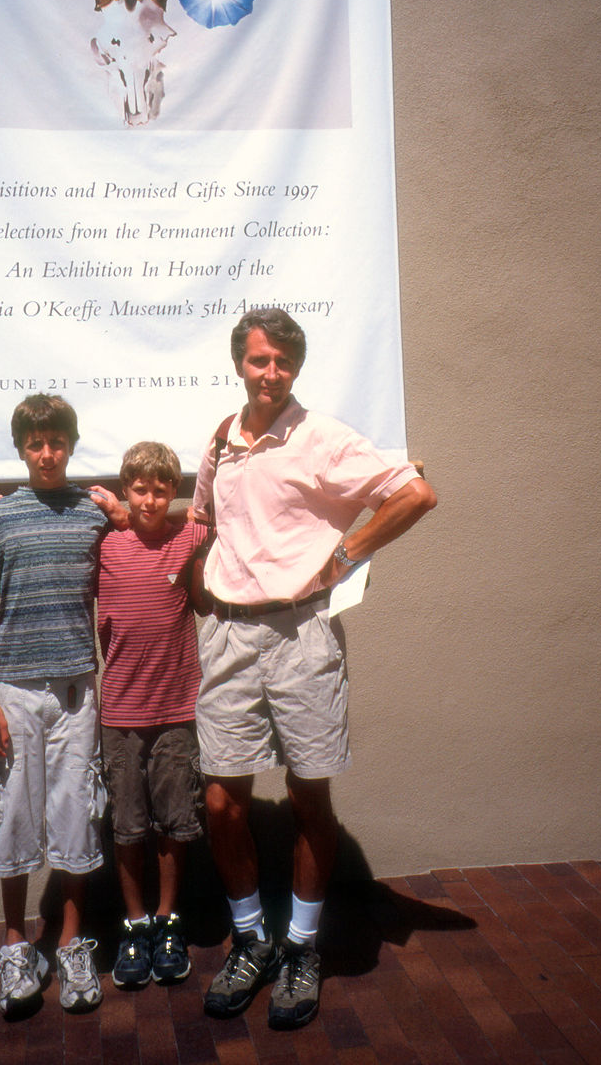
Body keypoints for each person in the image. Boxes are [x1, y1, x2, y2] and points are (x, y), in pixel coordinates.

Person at [191, 309, 437, 1030]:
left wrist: (344, 556)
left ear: (296, 368)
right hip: (230, 637)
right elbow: (203, 523)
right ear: (239, 362)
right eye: (261, 360)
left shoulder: (323, 437)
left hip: (302, 639)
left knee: (308, 799)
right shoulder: (219, 441)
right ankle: (251, 940)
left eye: (285, 363)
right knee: (220, 804)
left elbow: (414, 493)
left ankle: (301, 948)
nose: (272, 374)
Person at [0, 393, 112, 1020]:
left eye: (56, 441)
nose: (46, 453)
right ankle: (17, 945)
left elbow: (148, 541)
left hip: (77, 694)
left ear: (71, 445)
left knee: (77, 812)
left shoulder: (92, 515)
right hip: (16, 696)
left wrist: (123, 507)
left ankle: (74, 943)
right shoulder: (0, 519)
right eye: (35, 443)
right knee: (14, 816)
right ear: (22, 448)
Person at [96, 441, 210, 990]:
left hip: (177, 709)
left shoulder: (188, 536)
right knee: (127, 825)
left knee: (174, 822)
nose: (150, 498)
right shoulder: (103, 541)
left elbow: (226, 508)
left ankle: (167, 921)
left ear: (174, 492)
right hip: (119, 710)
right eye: (139, 488)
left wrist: (192, 513)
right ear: (125, 491)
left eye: (161, 488)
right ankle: (134, 924)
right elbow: (59, 510)